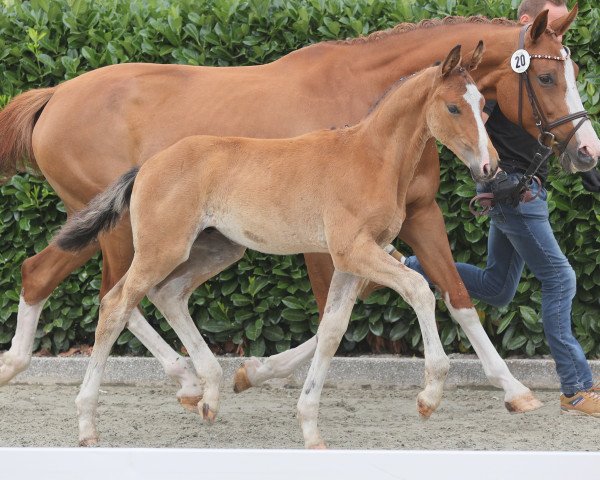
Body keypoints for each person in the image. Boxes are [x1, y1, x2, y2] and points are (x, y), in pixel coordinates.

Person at [402, 0, 600, 416]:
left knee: (497, 287)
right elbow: (472, 130)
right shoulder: (501, 76)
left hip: (529, 193)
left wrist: (580, 161)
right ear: (526, 21)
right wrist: (492, 179)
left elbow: (546, 124)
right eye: (549, 20)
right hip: (515, 198)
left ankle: (407, 266)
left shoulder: (531, 70)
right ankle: (576, 388)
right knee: (561, 279)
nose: (556, 30)